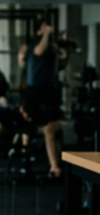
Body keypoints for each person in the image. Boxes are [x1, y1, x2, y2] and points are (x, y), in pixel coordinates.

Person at [18, 20, 68, 177]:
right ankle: (27, 160)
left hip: (49, 91)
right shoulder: (34, 45)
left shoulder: (51, 48)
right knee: (29, 127)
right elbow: (39, 51)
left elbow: (62, 62)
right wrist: (47, 32)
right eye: (44, 27)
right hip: (34, 92)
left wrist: (66, 46)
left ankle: (56, 165)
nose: (48, 30)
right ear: (38, 31)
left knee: (54, 129)